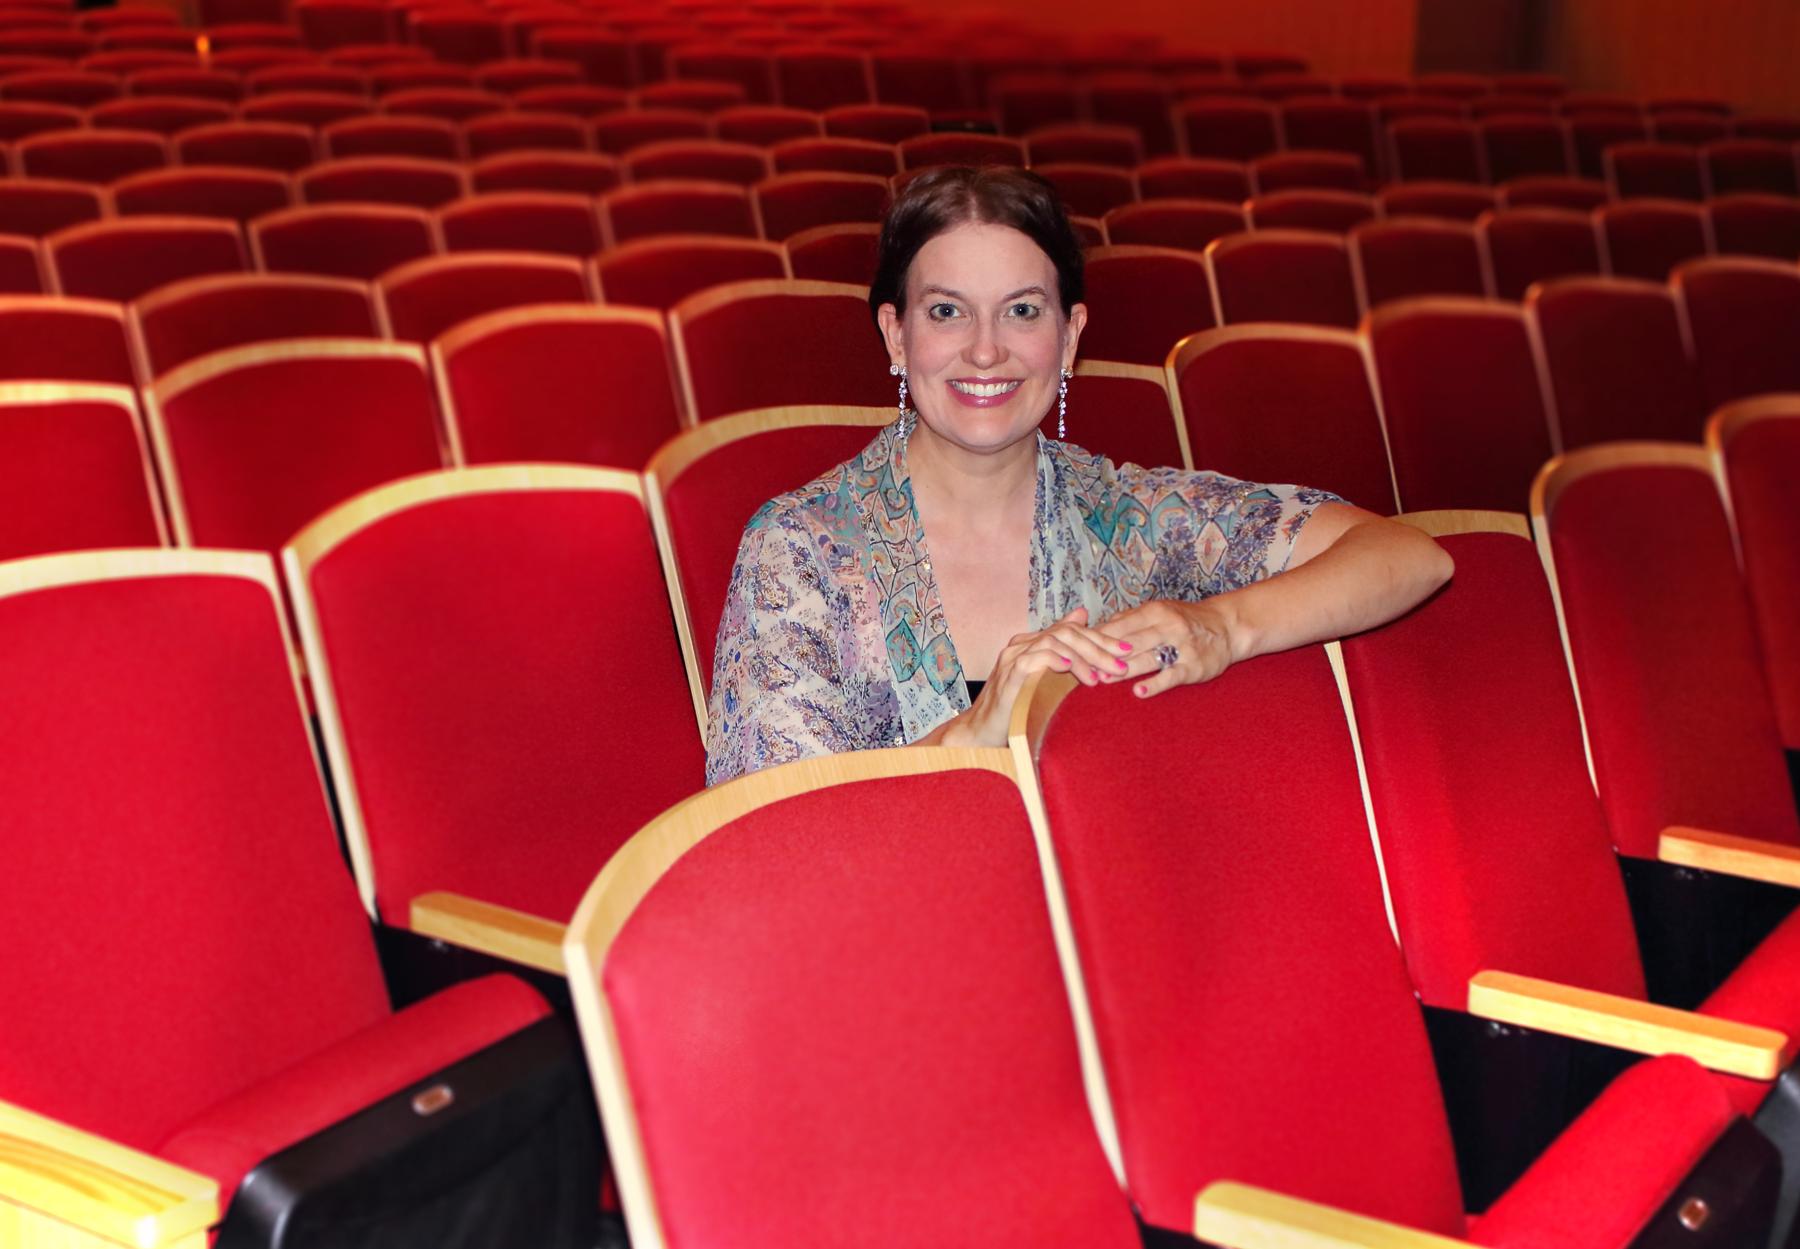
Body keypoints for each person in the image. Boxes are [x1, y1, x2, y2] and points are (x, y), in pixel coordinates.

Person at [704, 166, 1452, 786]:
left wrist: (1221, 625)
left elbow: (1411, 557)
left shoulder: (1130, 516)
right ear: (896, 335)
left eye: (1023, 311)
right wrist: (974, 730)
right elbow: (773, 837)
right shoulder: (800, 551)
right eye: (947, 312)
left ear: (1071, 337)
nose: (987, 350)